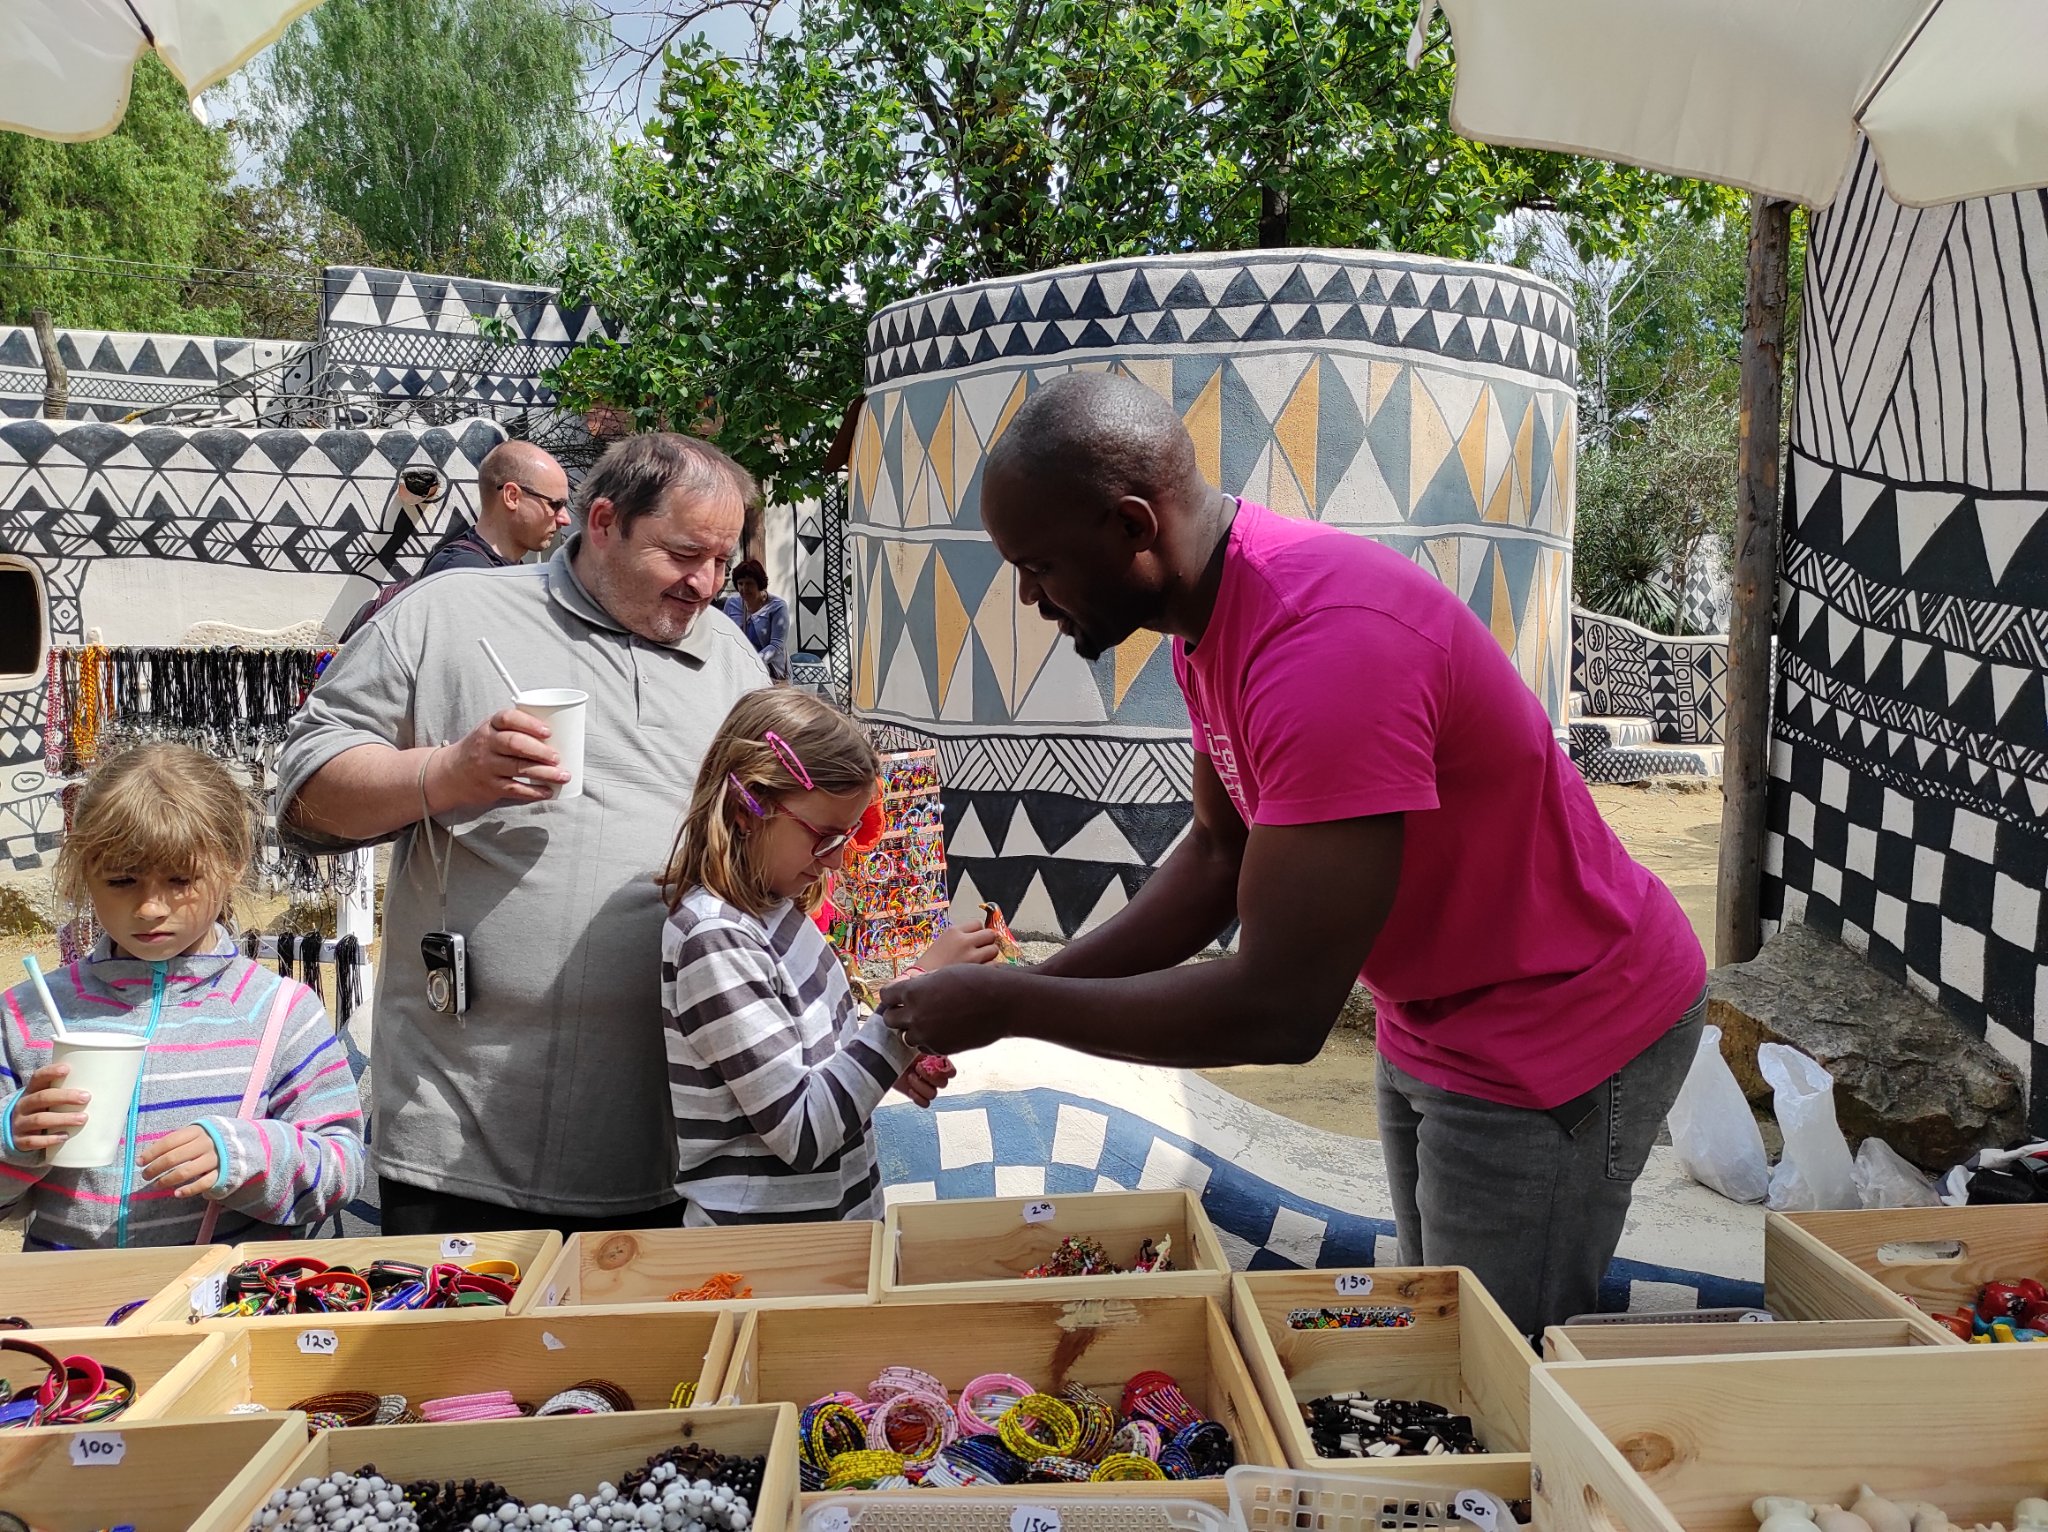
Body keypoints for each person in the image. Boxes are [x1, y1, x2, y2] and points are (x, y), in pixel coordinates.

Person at [879, 372, 1707, 1337]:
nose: (1028, 597)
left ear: (1134, 526)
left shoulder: (1323, 651)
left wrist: (1014, 1007)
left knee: (1489, 1357)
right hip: (1437, 1015)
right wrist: (1028, 987)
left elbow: (1279, 1011)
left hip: (1558, 1024)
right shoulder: (1210, 622)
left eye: (1039, 566)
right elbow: (1217, 858)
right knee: (1439, 1328)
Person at [277, 432, 772, 1237]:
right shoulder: (448, 615)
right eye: (685, 554)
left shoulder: (734, 661)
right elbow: (303, 795)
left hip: (668, 1144)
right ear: (603, 522)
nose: (707, 585)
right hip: (463, 1137)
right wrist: (445, 774)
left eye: (723, 561)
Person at [0, 744, 365, 1249]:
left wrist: (246, 1155)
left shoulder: (281, 1014)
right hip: (70, 1292)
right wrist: (12, 1139)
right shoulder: (28, 1013)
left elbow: (342, 1168)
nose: (150, 907)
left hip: (220, 1291)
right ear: (84, 870)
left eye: (180, 880)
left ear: (233, 863)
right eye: (121, 880)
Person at [659, 690, 994, 1225]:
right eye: (824, 837)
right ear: (748, 808)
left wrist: (888, 1063)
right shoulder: (715, 941)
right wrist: (915, 993)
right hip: (769, 1256)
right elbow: (803, 1133)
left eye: (847, 837)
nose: (837, 861)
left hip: (829, 1240)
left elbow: (810, 1057)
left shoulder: (776, 909)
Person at [338, 442, 573, 644]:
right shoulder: (465, 574)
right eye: (555, 505)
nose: (565, 519)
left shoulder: (487, 569)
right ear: (512, 496)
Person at [720, 560, 791, 680]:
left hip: (772, 674)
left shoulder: (777, 606)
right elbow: (724, 635)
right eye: (740, 583)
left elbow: (776, 645)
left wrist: (752, 662)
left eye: (749, 583)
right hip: (739, 671)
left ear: (759, 584)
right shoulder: (731, 604)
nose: (744, 588)